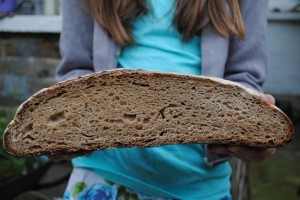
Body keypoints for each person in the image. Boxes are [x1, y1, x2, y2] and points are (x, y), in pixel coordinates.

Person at [51, 0, 276, 199]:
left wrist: (249, 125)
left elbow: (244, 77)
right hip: (102, 176)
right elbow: (76, 72)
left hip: (199, 184)